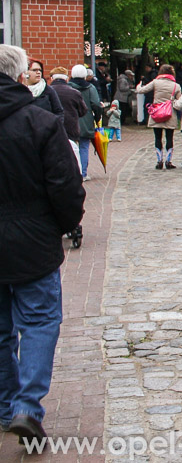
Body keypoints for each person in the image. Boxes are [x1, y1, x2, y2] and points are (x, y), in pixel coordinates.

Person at [0, 44, 87, 447]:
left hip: (24, 233)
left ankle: (7, 406)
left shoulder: (41, 121)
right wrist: (66, 226)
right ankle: (27, 407)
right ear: (22, 77)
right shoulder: (40, 123)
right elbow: (66, 186)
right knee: (36, 323)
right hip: (32, 240)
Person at [137, 65, 182, 169]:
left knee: (158, 137)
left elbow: (142, 90)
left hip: (156, 112)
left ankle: (159, 161)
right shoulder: (176, 86)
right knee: (169, 137)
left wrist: (139, 85)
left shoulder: (155, 82)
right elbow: (179, 102)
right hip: (169, 113)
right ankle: (168, 161)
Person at [68, 65, 103, 181]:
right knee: (84, 147)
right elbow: (96, 104)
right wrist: (97, 118)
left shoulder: (68, 87)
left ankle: (73, 172)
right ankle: (83, 173)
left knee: (70, 147)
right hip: (86, 119)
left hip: (70, 120)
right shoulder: (90, 87)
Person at [47, 68, 85, 173]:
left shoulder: (47, 91)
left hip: (51, 129)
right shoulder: (74, 92)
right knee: (73, 157)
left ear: (51, 78)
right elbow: (83, 111)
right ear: (67, 79)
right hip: (71, 129)